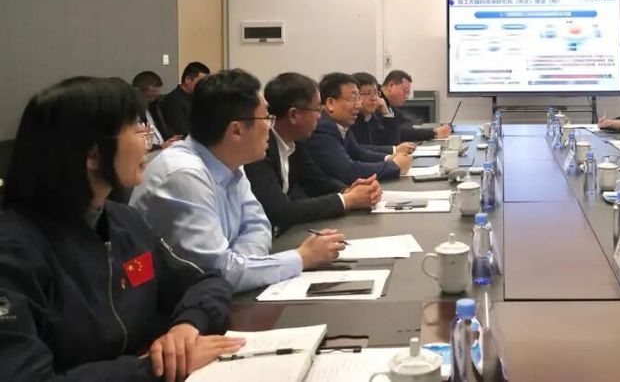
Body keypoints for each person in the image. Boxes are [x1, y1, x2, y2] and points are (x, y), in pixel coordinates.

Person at [0, 76, 242, 381]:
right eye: (138, 130)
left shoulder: (125, 222)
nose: (149, 143)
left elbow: (206, 282)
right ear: (93, 154)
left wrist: (186, 327)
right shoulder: (13, 251)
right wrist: (153, 369)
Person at [130, 69, 346, 293]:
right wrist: (300, 258)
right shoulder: (184, 176)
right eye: (266, 118)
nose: (270, 126)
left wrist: (240, 265)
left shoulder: (230, 162)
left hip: (214, 296)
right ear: (236, 130)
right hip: (169, 306)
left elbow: (258, 226)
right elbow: (218, 273)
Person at [245, 72, 382, 236]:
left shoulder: (296, 140)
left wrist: (347, 191)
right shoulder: (259, 149)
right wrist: (348, 200)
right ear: (293, 115)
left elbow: (315, 180)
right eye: (317, 109)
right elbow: (281, 210)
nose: (320, 115)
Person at [301, 72, 413, 185]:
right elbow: (348, 170)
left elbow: (358, 153)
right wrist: (394, 166)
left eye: (358, 98)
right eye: (353, 98)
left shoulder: (341, 123)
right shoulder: (323, 127)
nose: (359, 105)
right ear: (330, 103)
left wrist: (389, 158)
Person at [350, 71, 417, 156]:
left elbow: (393, 142)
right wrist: (394, 150)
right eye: (368, 93)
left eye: (376, 93)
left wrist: (386, 114)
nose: (374, 98)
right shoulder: (350, 120)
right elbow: (357, 149)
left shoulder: (371, 117)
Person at [380, 70, 451, 142]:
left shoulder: (389, 104)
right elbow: (398, 132)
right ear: (391, 85)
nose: (406, 96)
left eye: (408, 93)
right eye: (405, 91)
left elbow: (406, 123)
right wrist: (434, 133)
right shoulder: (378, 103)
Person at [158, 61, 211, 137]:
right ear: (188, 79)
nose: (204, 86)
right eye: (201, 82)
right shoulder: (173, 100)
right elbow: (181, 131)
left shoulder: (198, 97)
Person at [132, 70, 183, 149]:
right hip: (149, 152)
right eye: (151, 95)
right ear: (138, 91)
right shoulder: (129, 113)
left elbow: (161, 129)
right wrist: (160, 147)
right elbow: (136, 144)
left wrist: (171, 139)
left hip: (161, 148)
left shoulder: (154, 106)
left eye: (156, 93)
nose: (155, 96)